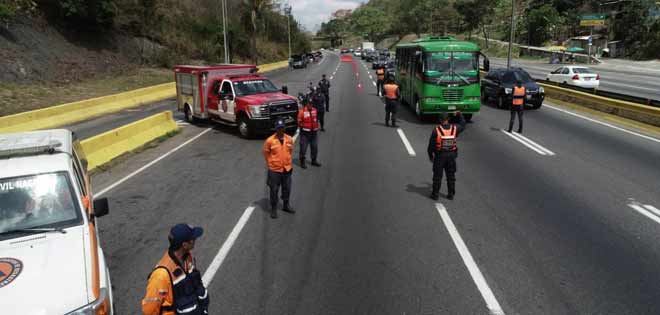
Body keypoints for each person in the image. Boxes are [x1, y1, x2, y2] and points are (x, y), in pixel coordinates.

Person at [142, 224, 209, 315]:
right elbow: (149, 310)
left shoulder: (187, 257)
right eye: (192, 239)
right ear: (184, 245)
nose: (195, 240)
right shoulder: (160, 276)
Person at [427, 112, 466, 201]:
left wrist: (431, 156)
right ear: (448, 119)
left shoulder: (436, 130)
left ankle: (435, 194)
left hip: (440, 156)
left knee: (437, 176)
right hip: (451, 156)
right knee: (451, 175)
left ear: (440, 120)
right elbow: (463, 125)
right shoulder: (454, 129)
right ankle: (451, 194)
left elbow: (431, 146)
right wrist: (460, 114)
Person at [263, 119, 295, 218]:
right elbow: (266, 153)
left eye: (282, 128)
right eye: (278, 128)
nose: (280, 130)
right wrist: (271, 163)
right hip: (275, 170)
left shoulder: (289, 139)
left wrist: (287, 161)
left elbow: (290, 151)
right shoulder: (270, 141)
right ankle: (273, 208)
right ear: (276, 129)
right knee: (274, 190)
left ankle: (286, 205)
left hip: (287, 169)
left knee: (287, 188)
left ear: (284, 128)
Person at [298, 98, 322, 169]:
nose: (310, 105)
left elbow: (317, 119)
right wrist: (304, 127)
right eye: (309, 104)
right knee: (303, 148)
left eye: (311, 104)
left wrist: (316, 126)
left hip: (314, 133)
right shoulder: (302, 112)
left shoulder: (315, 110)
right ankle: (302, 161)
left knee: (314, 147)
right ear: (306, 104)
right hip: (305, 134)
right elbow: (299, 122)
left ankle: (314, 160)